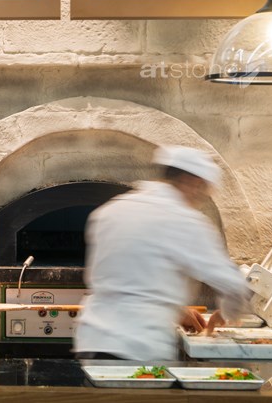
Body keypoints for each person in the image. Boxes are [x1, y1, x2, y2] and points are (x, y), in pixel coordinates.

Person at [73, 145, 251, 361]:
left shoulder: (110, 211)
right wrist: (226, 315)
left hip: (92, 340)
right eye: (204, 191)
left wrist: (174, 309)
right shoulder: (185, 221)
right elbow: (234, 286)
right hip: (138, 347)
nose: (201, 198)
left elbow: (125, 282)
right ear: (193, 182)